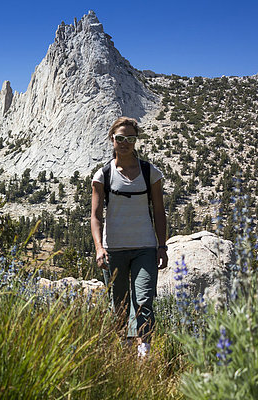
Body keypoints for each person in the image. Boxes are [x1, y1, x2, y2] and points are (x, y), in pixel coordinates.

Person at [90, 116, 168, 358]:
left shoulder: (150, 172)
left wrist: (162, 246)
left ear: (136, 141)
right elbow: (94, 216)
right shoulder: (102, 175)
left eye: (130, 139)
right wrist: (99, 248)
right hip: (114, 250)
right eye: (120, 138)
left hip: (145, 246)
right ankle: (122, 354)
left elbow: (158, 210)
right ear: (112, 139)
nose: (124, 143)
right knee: (119, 306)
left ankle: (144, 354)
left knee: (144, 300)